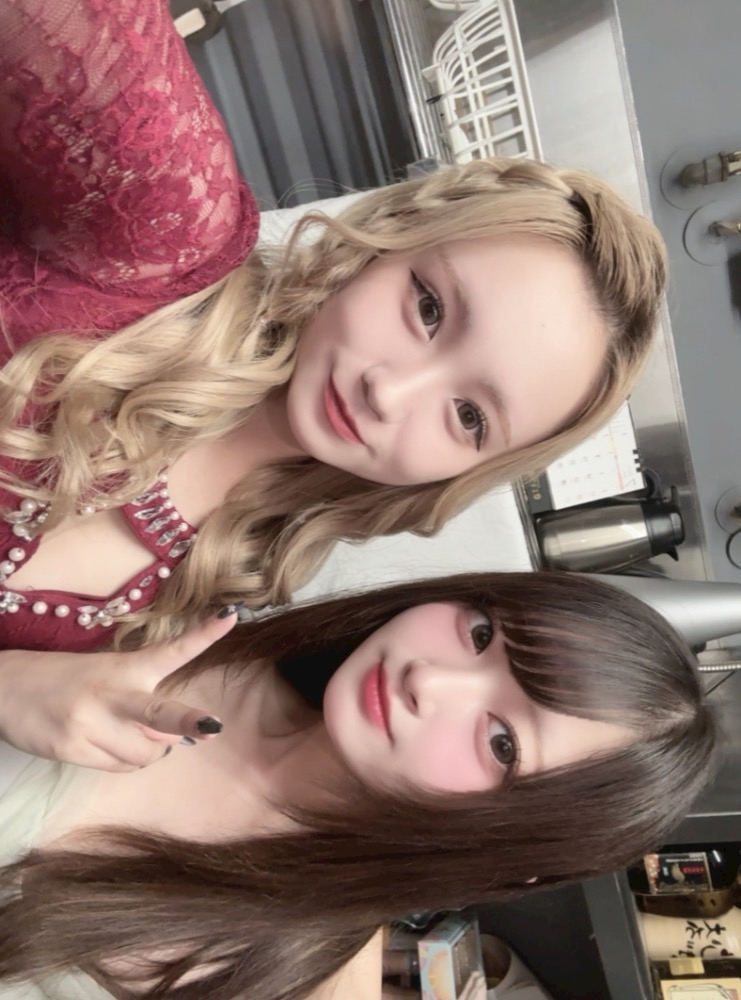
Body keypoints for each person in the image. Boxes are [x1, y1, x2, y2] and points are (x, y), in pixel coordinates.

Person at [0, 0, 668, 656]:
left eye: (469, 417)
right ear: (389, 240)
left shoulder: (222, 585)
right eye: (429, 310)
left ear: (470, 471)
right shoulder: (168, 230)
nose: (390, 393)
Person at [0, 572, 717, 1000]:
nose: (429, 680)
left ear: (508, 845)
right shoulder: (195, 612)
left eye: (502, 743)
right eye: (480, 637)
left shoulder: (280, 980)